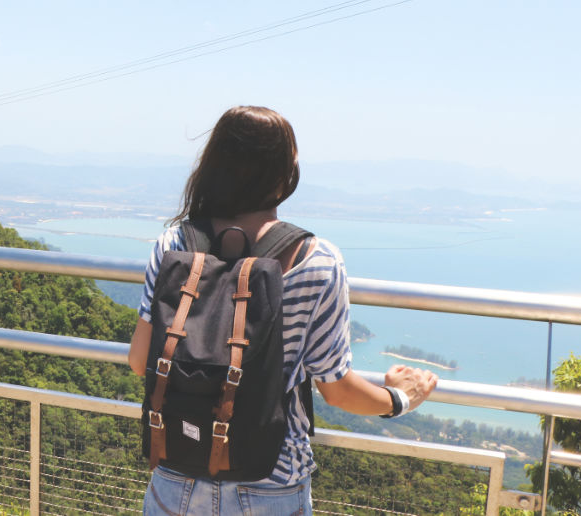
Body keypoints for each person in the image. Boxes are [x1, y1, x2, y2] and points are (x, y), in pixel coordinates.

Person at [127, 105, 438, 516]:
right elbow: (337, 389)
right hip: (269, 486)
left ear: (214, 164)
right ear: (285, 173)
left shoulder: (174, 244)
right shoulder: (317, 259)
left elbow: (139, 360)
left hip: (176, 475)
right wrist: (399, 398)